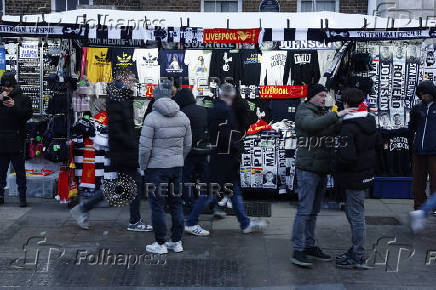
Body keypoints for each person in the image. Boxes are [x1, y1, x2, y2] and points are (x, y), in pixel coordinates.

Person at [71, 70, 152, 232]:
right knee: (133, 184)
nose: (133, 82)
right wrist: (132, 144)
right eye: (131, 79)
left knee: (122, 185)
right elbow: (118, 128)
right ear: (122, 79)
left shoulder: (121, 96)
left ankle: (85, 207)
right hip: (123, 150)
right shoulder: (118, 98)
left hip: (123, 149)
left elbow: (124, 126)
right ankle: (134, 220)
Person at [184, 83, 268, 237]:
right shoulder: (224, 111)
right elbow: (226, 136)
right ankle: (190, 222)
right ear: (233, 95)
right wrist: (235, 149)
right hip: (224, 159)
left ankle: (245, 223)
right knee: (211, 192)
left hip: (221, 157)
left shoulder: (216, 109)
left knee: (232, 191)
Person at [291, 84, 355, 267]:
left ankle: (309, 245)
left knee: (313, 211)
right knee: (305, 209)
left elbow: (331, 128)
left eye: (325, 95)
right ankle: (298, 249)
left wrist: (351, 116)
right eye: (320, 95)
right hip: (308, 169)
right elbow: (312, 126)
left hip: (321, 169)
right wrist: (337, 114)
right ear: (311, 96)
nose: (323, 98)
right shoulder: (303, 111)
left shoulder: (321, 112)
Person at [139, 80, 192, 254]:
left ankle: (160, 243)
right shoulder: (183, 116)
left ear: (155, 97)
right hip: (176, 167)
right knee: (176, 204)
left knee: (157, 205)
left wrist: (143, 166)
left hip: (156, 168)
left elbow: (145, 148)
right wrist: (179, 158)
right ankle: (176, 241)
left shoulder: (151, 118)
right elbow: (188, 144)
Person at [334, 88, 377, 269]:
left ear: (345, 104)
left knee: (356, 215)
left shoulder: (348, 127)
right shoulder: (370, 121)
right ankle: (356, 250)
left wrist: (336, 164)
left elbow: (347, 155)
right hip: (365, 173)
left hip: (352, 176)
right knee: (354, 213)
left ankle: (359, 255)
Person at [173, 88, 210, 213]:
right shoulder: (203, 110)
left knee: (186, 178)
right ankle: (207, 202)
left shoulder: (181, 112)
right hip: (204, 150)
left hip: (188, 152)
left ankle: (189, 203)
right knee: (205, 178)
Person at [0, 72, 32, 207]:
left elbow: (26, 116)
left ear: (13, 86)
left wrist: (14, 106)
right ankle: (0, 195)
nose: (5, 90)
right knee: (0, 171)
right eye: (3, 87)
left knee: (20, 171)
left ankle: (22, 197)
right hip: (1, 139)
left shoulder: (23, 98)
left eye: (8, 88)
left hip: (17, 139)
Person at [408, 80, 436, 210]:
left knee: (435, 181)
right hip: (419, 149)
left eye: (425, 93)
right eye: (421, 93)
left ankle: (434, 207)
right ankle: (419, 205)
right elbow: (411, 127)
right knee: (418, 180)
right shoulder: (417, 108)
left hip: (434, 150)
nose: (423, 96)